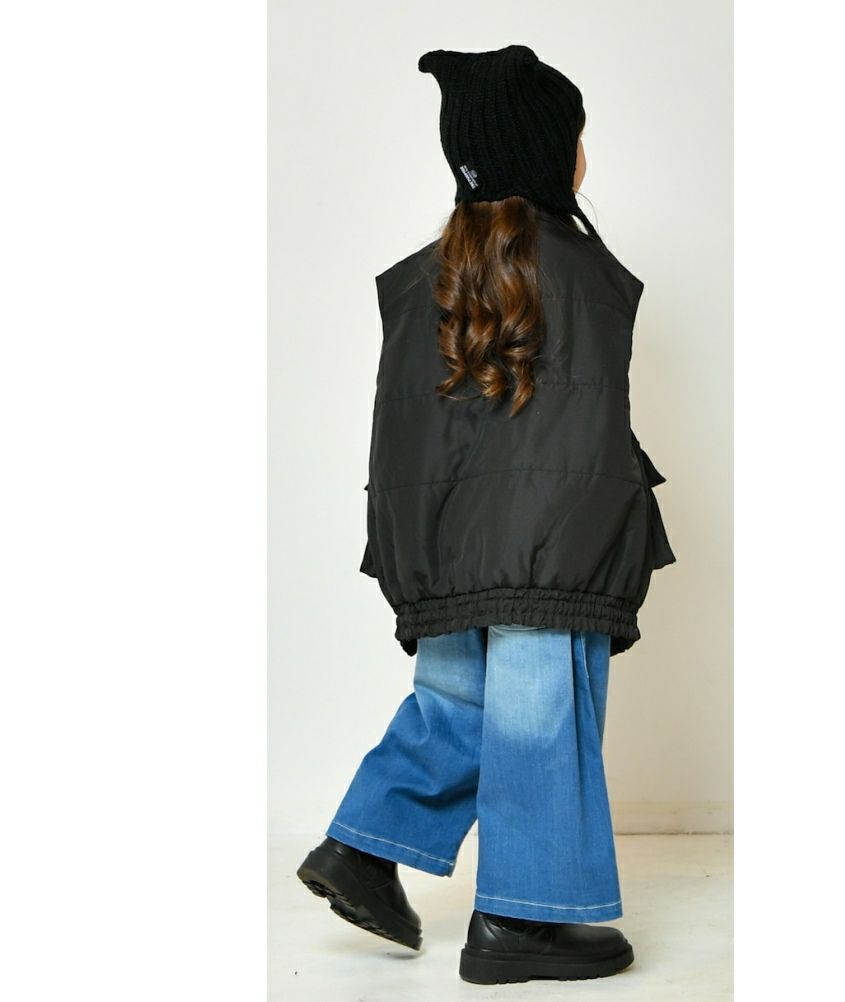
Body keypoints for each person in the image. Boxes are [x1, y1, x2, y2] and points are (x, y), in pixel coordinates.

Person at [297, 43, 675, 986]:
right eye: (576, 138)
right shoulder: (581, 275)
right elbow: (588, 436)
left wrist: (405, 556)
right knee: (541, 717)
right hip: (552, 549)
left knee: (456, 700)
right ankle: (521, 919)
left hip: (442, 549)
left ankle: (363, 845)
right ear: (552, 155)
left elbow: (408, 437)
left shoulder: (425, 279)